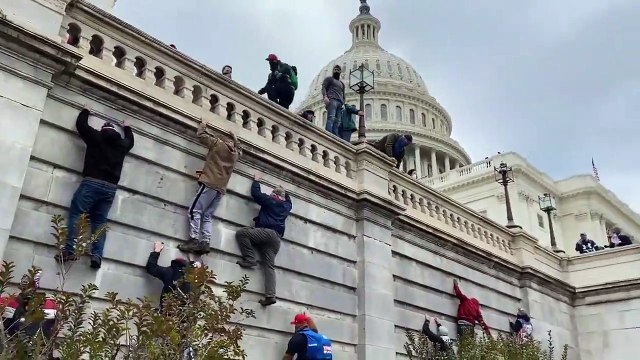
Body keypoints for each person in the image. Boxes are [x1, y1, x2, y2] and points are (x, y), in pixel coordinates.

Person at [55, 106, 134, 269]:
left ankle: (70, 250)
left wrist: (86, 111)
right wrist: (127, 127)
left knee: (77, 213)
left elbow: (81, 125)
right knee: (99, 221)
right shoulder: (121, 145)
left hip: (92, 182)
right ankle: (96, 255)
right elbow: (130, 141)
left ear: (102, 130)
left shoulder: (96, 137)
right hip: (111, 188)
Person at [179, 118, 240, 255]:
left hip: (209, 183)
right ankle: (205, 242)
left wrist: (203, 124)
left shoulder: (218, 144)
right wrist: (235, 138)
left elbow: (201, 136)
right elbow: (239, 149)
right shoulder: (235, 154)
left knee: (194, 210)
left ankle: (194, 239)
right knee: (207, 215)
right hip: (221, 188)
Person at [235, 172, 292, 306]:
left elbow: (256, 194)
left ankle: (249, 258)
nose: (271, 195)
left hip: (267, 233)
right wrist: (286, 192)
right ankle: (270, 296)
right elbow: (289, 201)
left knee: (242, 233)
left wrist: (256, 181)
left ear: (275, 196)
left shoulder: (271, 201)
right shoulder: (286, 207)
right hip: (276, 239)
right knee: (269, 267)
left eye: (273, 194)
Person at [1, 271, 57, 344]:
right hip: (10, 346)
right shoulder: (8, 302)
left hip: (36, 347)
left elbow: (49, 329)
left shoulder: (48, 305)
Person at [146, 241, 201, 311]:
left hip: (167, 311)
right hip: (184, 315)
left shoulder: (170, 272)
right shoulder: (192, 277)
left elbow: (151, 268)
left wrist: (157, 250)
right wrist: (195, 266)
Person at [322, 65, 346, 136]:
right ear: (333, 71)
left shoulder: (342, 84)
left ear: (340, 72)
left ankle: (335, 135)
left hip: (340, 102)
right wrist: (325, 97)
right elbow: (323, 88)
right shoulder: (329, 79)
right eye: (335, 69)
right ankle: (328, 133)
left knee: (337, 121)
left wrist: (343, 103)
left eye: (338, 70)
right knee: (331, 118)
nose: (336, 71)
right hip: (332, 100)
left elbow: (343, 94)